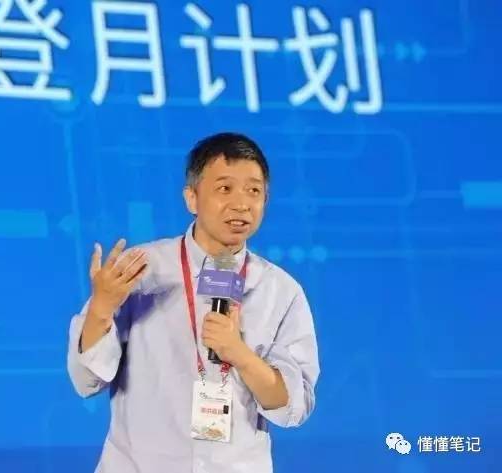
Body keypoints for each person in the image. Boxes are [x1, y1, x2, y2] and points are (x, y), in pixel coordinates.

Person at [67, 132, 320, 473]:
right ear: (192, 198)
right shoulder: (141, 270)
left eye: (254, 191)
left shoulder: (281, 291)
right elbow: (86, 380)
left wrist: (240, 354)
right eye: (225, 188)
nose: (241, 204)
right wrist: (101, 308)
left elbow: (293, 408)